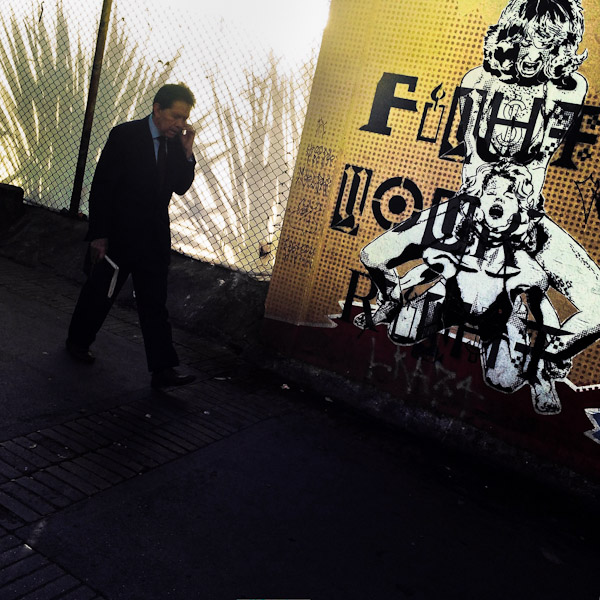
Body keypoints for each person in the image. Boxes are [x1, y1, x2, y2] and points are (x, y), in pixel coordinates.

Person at [356, 0, 600, 408]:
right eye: (523, 40)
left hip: (528, 219)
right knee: (384, 277)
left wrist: (550, 351)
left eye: (547, 44)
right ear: (509, 38)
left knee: (588, 313)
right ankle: (425, 298)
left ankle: (539, 359)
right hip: (468, 211)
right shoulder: (480, 80)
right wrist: (394, 290)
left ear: (560, 49)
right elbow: (476, 137)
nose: (531, 54)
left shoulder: (564, 88)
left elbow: (569, 87)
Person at [385, 161, 567, 414]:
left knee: (504, 381)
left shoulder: (524, 266)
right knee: (401, 330)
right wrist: (397, 293)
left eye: (509, 195)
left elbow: (544, 311)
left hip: (498, 319)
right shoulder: (458, 242)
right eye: (491, 192)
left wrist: (553, 351)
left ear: (521, 208)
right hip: (452, 304)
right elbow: (426, 270)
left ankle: (538, 376)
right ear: (478, 201)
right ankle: (424, 307)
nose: (499, 200)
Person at [66, 83, 197, 389]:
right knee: (100, 292)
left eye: (185, 118)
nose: (180, 124)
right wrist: (99, 235)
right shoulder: (125, 136)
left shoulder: (176, 142)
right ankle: (77, 342)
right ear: (157, 109)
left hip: (153, 238)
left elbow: (180, 185)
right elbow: (103, 187)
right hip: (119, 234)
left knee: (154, 302)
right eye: (176, 116)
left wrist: (188, 154)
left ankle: (163, 370)